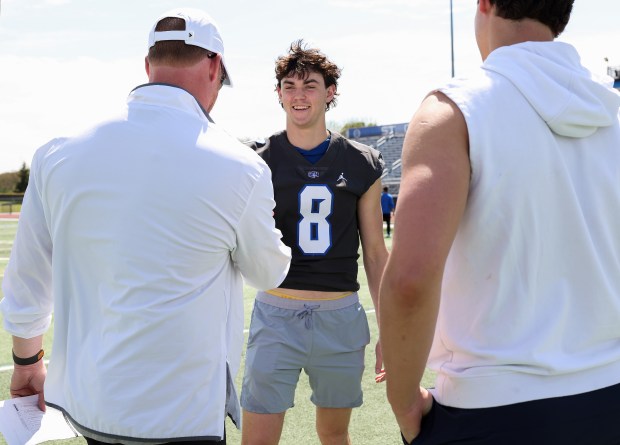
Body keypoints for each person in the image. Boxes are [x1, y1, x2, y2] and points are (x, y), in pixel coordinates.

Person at [0, 8, 291, 445]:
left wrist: (27, 362)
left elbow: (27, 279)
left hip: (87, 405)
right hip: (182, 413)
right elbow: (268, 273)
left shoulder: (57, 154)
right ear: (213, 65)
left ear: (147, 64)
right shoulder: (241, 167)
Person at [380, 0, 620, 444]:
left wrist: (405, 405)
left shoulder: (452, 110)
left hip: (491, 409)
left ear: (485, 4)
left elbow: (409, 281)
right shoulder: (612, 108)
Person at [240, 40, 389, 445]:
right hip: (276, 313)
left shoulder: (362, 161)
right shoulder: (256, 161)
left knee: (335, 436)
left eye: (310, 85)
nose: (299, 95)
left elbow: (375, 254)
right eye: (289, 85)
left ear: (330, 93)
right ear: (278, 95)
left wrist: (390, 331)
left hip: (340, 316)